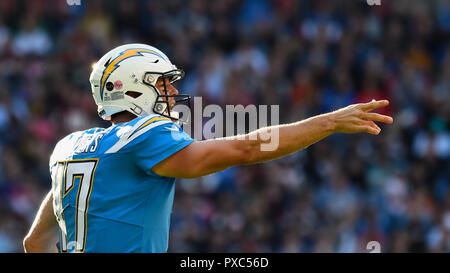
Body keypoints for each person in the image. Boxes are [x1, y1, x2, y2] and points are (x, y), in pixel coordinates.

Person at [23, 43, 393, 253]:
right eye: (162, 84)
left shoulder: (68, 147)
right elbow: (246, 150)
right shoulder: (143, 133)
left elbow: (35, 242)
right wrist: (328, 122)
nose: (171, 92)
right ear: (132, 88)